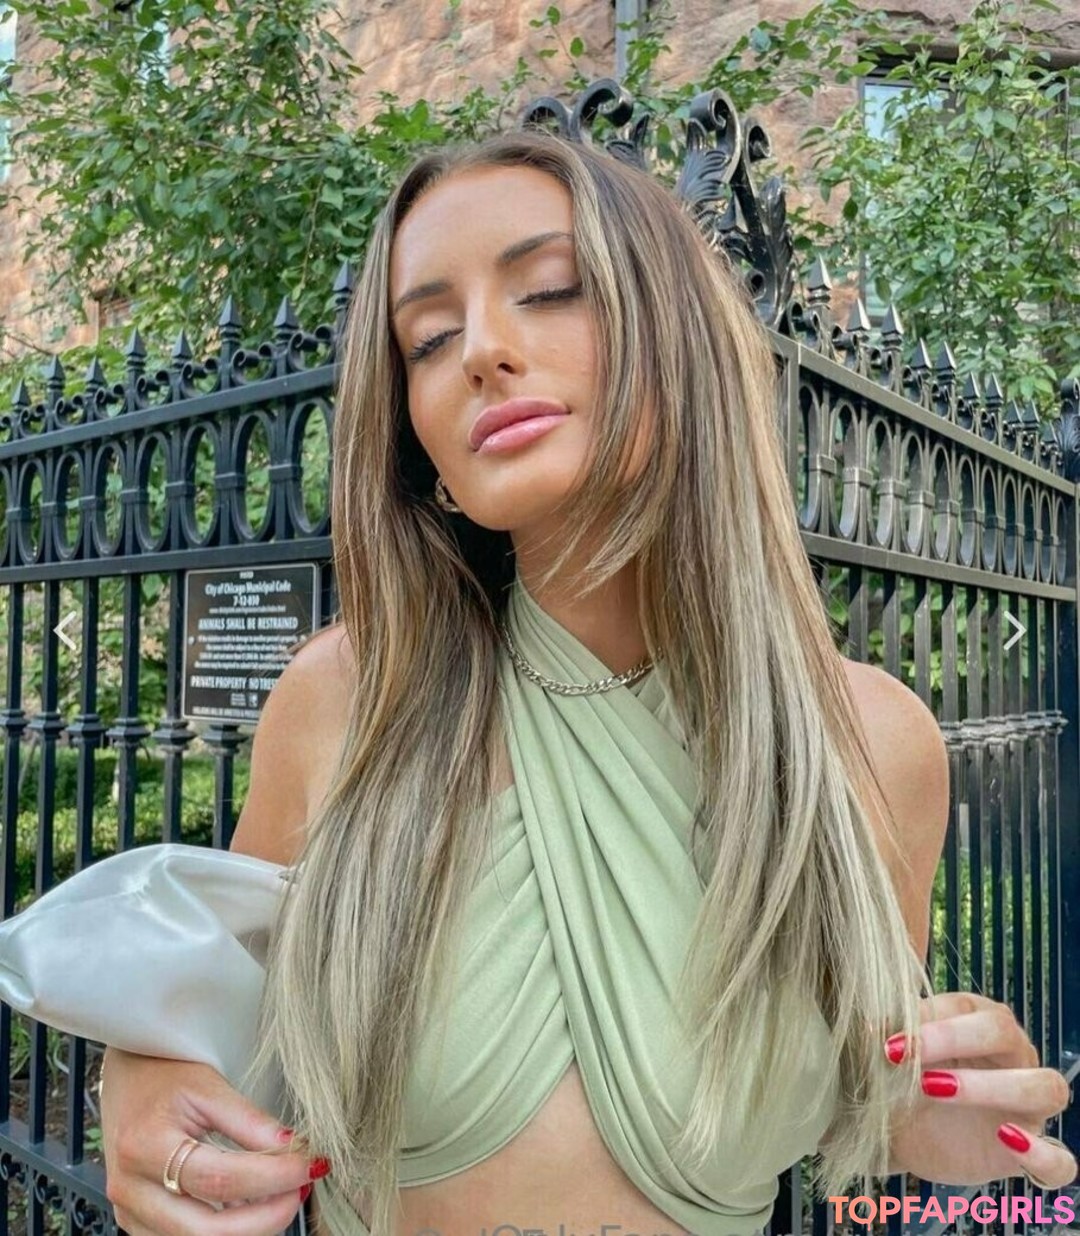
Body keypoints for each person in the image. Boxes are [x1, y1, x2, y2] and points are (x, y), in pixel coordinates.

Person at [99, 129, 1076, 1236]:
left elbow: (866, 1087)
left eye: (552, 289)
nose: (481, 350)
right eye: (428, 339)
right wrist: (144, 1083)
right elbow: (216, 1021)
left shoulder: (873, 742)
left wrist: (923, 1114)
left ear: (679, 335)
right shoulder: (348, 699)